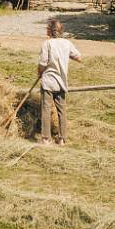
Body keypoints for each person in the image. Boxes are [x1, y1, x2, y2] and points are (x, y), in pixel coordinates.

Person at [37, 18, 82, 146]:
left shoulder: (47, 43)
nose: (46, 30)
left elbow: (42, 63)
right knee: (61, 110)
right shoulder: (67, 43)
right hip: (62, 82)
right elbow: (78, 57)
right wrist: (66, 55)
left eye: (47, 28)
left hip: (49, 81)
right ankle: (62, 138)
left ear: (50, 31)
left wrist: (39, 72)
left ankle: (46, 139)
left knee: (46, 109)